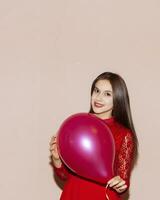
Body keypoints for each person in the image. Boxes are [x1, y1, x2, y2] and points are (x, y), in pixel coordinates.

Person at [49, 72, 138, 200]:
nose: (98, 98)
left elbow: (123, 182)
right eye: (96, 91)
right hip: (73, 195)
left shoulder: (124, 134)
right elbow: (65, 176)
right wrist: (57, 159)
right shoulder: (78, 126)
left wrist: (120, 185)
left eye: (107, 94)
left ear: (118, 98)